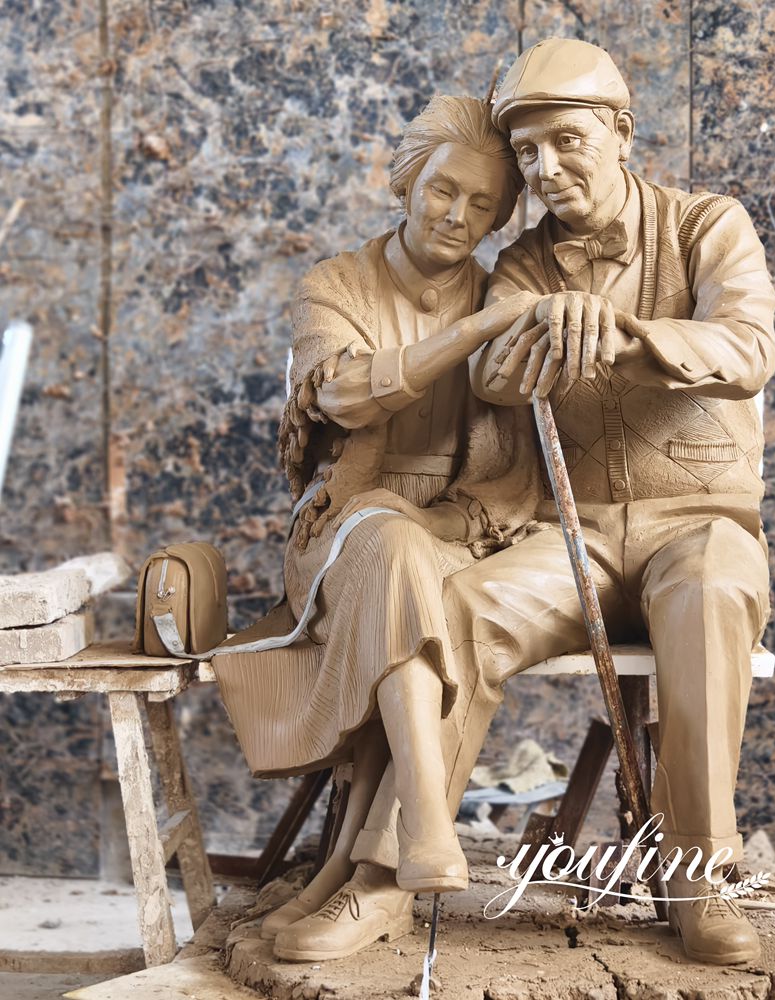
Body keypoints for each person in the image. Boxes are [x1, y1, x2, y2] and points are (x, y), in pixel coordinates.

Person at [440, 38, 775, 966]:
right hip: (575, 536)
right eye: (526, 152)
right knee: (460, 608)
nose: (545, 169)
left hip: (701, 524)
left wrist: (624, 334)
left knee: (709, 596)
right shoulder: (523, 263)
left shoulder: (707, 224)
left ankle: (700, 875)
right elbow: (490, 376)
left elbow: (747, 348)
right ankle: (396, 866)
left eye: (567, 141)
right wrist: (533, 332)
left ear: (623, 133)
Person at [212, 94, 540, 962]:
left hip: (459, 530)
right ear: (406, 184)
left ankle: (349, 873)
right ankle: (425, 824)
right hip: (340, 530)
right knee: (389, 548)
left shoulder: (507, 290)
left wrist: (436, 519)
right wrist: (474, 330)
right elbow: (346, 394)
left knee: (415, 568)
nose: (457, 216)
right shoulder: (335, 285)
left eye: (482, 205)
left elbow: (514, 474)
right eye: (443, 191)